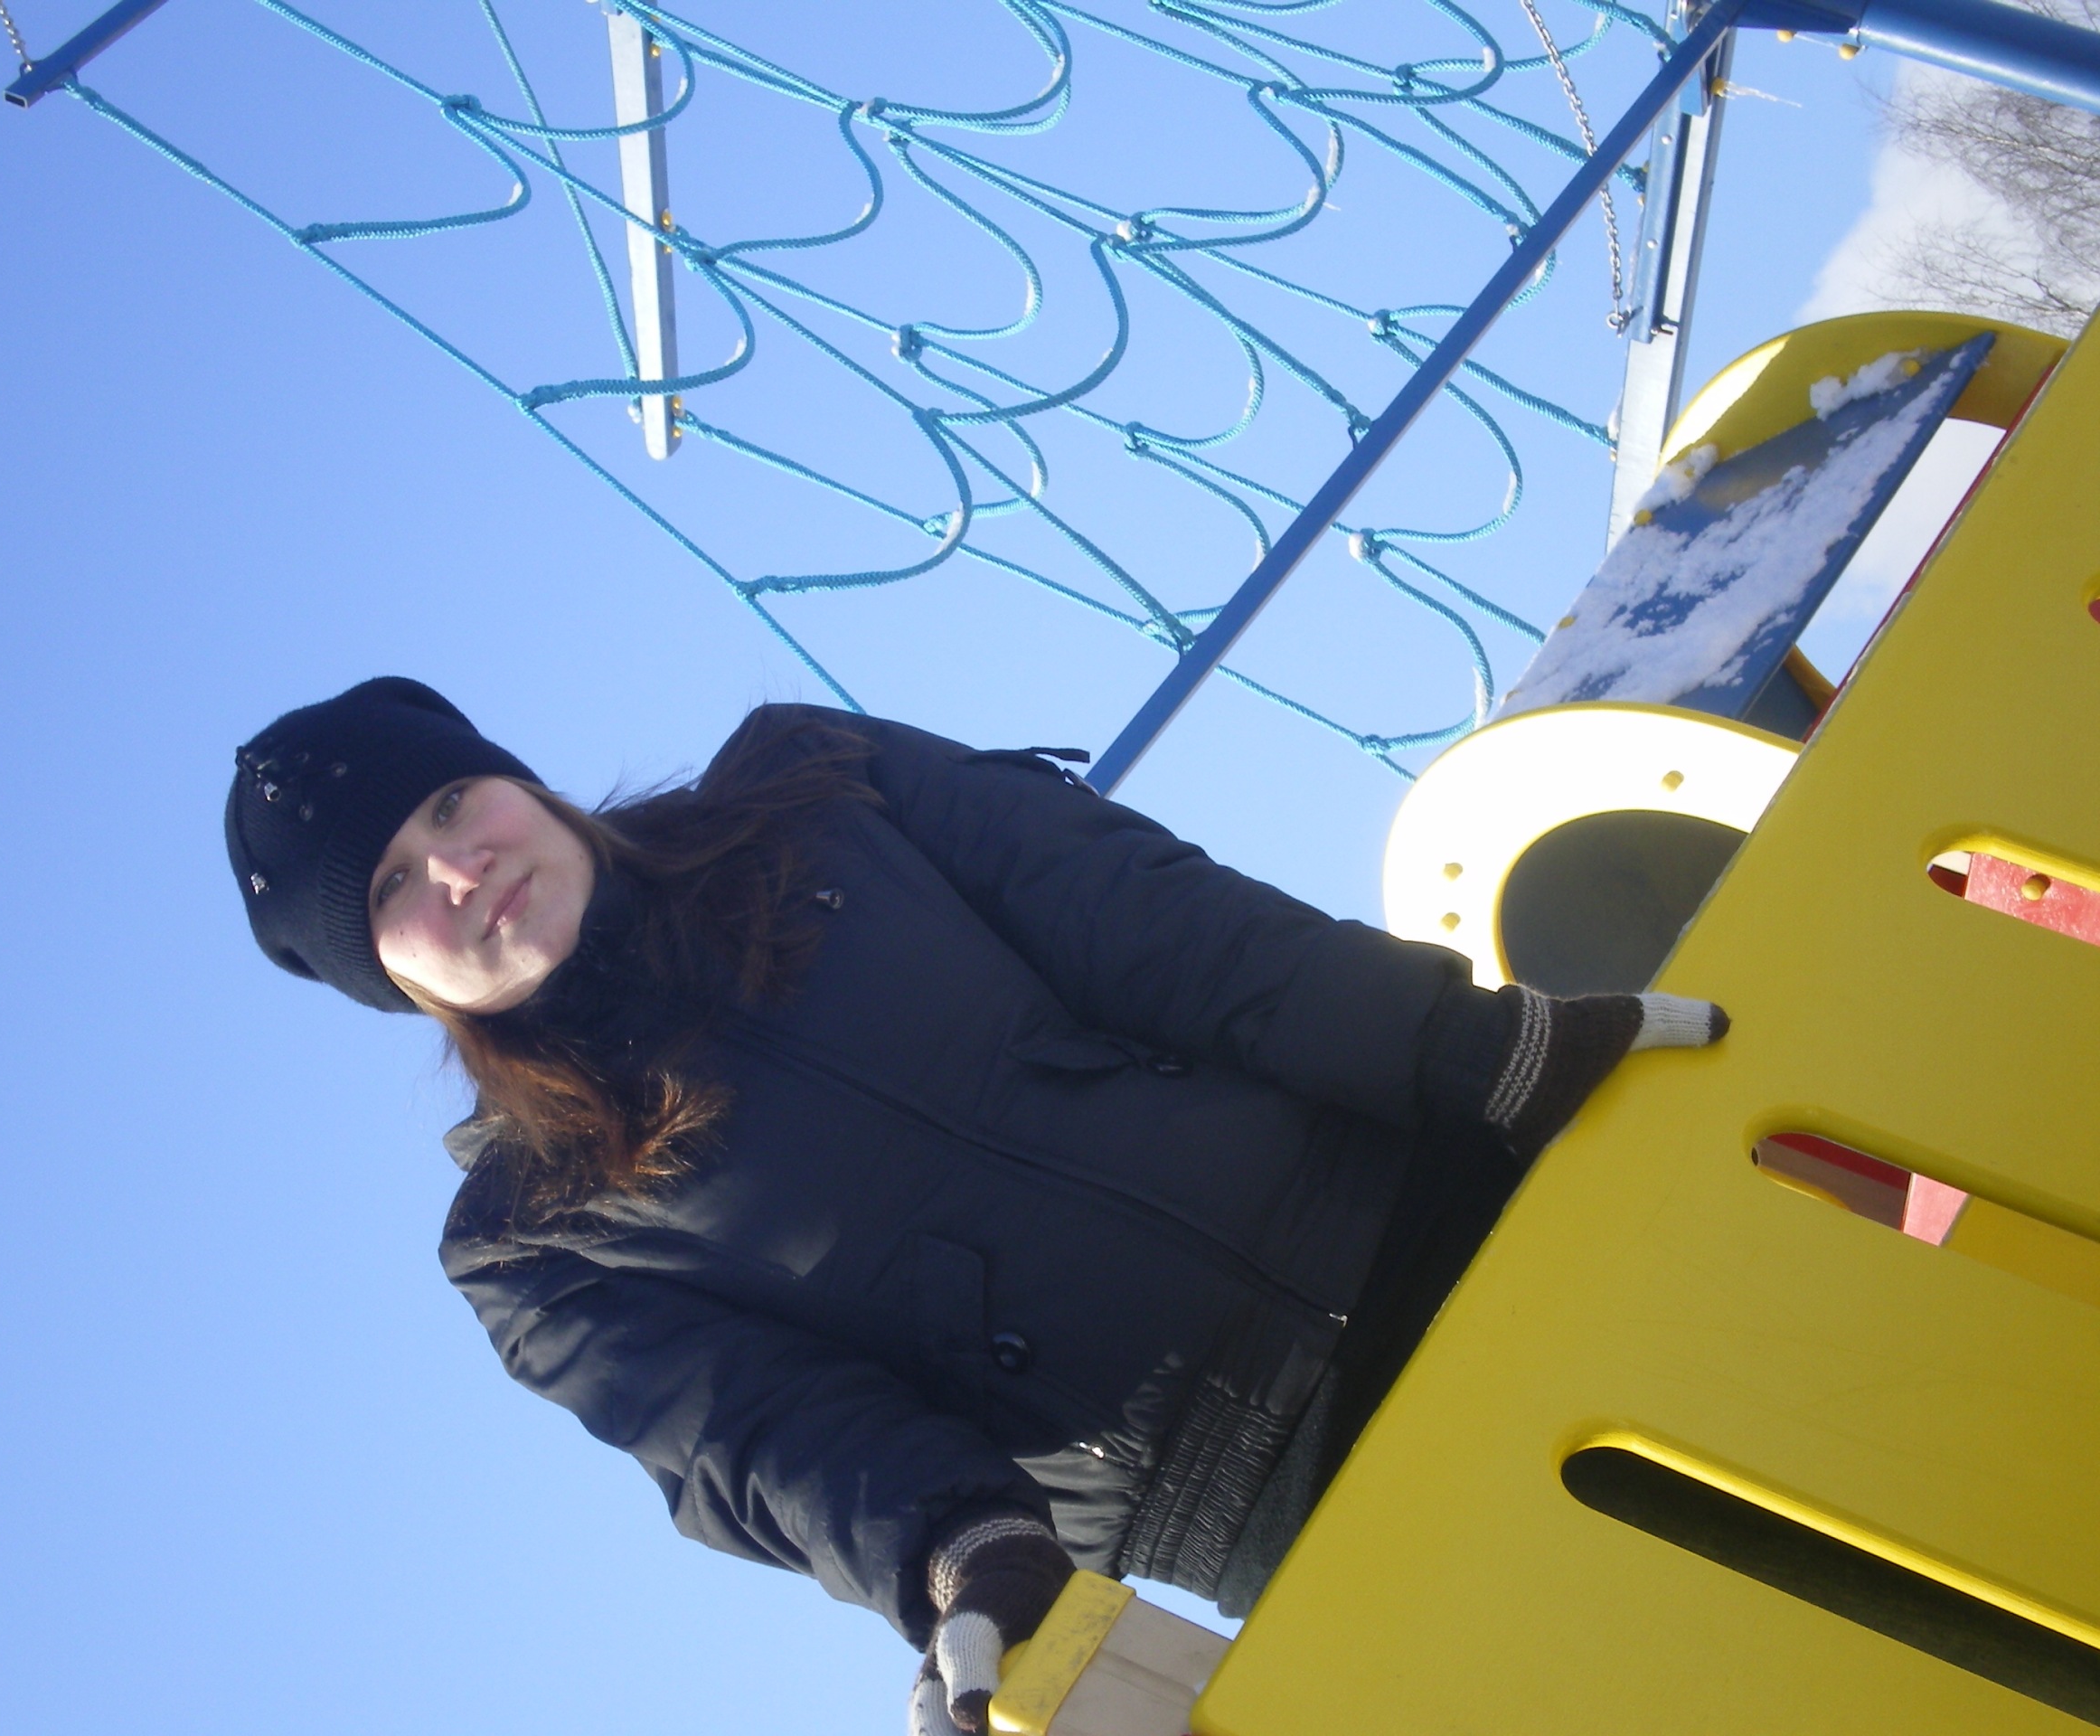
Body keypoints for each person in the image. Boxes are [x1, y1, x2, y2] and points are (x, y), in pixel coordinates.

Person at [224, 677, 1727, 1735]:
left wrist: (1468, 1048)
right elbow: (762, 1436)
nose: (459, 864)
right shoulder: (532, 1245)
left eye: (450, 799)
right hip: (1289, 1494)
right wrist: (952, 1546)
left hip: (1459, 1213)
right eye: (393, 885)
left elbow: (1166, 930)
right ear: (387, 978)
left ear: (511, 775)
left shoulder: (818, 792)